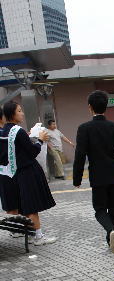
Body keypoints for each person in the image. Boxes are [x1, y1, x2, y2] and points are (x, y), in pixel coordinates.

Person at [73, 90, 114, 254]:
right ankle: (113, 238)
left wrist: (77, 178)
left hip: (98, 176)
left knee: (100, 209)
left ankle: (110, 232)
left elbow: (80, 155)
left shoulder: (84, 129)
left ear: (90, 107)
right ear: (106, 107)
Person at [0, 101, 56, 245]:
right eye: (19, 111)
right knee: (32, 206)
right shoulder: (18, 131)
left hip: (13, 174)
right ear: (12, 113)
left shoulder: (3, 131)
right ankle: (38, 237)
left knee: (24, 205)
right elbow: (32, 152)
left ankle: (30, 233)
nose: (22, 113)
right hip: (28, 172)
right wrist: (40, 140)